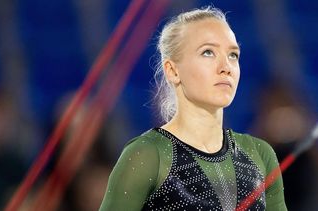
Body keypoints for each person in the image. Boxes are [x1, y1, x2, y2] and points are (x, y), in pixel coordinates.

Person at [100, 6, 287, 211]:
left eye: (233, 55)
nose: (226, 67)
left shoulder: (259, 153)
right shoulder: (149, 154)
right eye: (208, 52)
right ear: (172, 71)